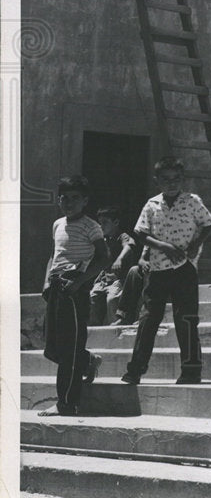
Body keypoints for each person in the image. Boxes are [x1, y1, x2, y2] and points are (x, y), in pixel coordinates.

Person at [120, 157, 211, 385]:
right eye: (166, 180)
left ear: (182, 179)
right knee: (148, 319)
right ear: (157, 181)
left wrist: (196, 244)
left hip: (185, 269)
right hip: (158, 270)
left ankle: (191, 371)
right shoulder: (152, 205)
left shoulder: (192, 201)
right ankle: (135, 370)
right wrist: (163, 246)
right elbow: (141, 233)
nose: (171, 184)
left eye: (176, 179)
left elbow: (209, 224)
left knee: (187, 319)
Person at [38, 175, 108, 416]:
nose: (69, 203)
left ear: (85, 200)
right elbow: (53, 255)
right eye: (64, 198)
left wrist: (79, 282)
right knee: (52, 348)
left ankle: (67, 403)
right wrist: (47, 281)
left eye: (75, 198)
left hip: (75, 289)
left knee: (69, 348)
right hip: (56, 287)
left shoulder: (92, 226)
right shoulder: (58, 224)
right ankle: (87, 360)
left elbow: (102, 259)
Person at [88, 208, 138, 325]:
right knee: (92, 298)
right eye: (99, 223)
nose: (101, 226)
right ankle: (95, 328)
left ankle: (114, 329)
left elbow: (130, 245)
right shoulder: (104, 240)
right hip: (104, 281)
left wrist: (120, 259)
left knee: (112, 300)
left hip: (118, 281)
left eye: (105, 222)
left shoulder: (122, 236)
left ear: (115, 222)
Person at [112, 249, 149, 325]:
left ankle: (144, 317)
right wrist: (144, 263)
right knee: (134, 271)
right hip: (152, 267)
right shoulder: (150, 242)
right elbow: (141, 260)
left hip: (165, 270)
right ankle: (124, 316)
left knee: (150, 276)